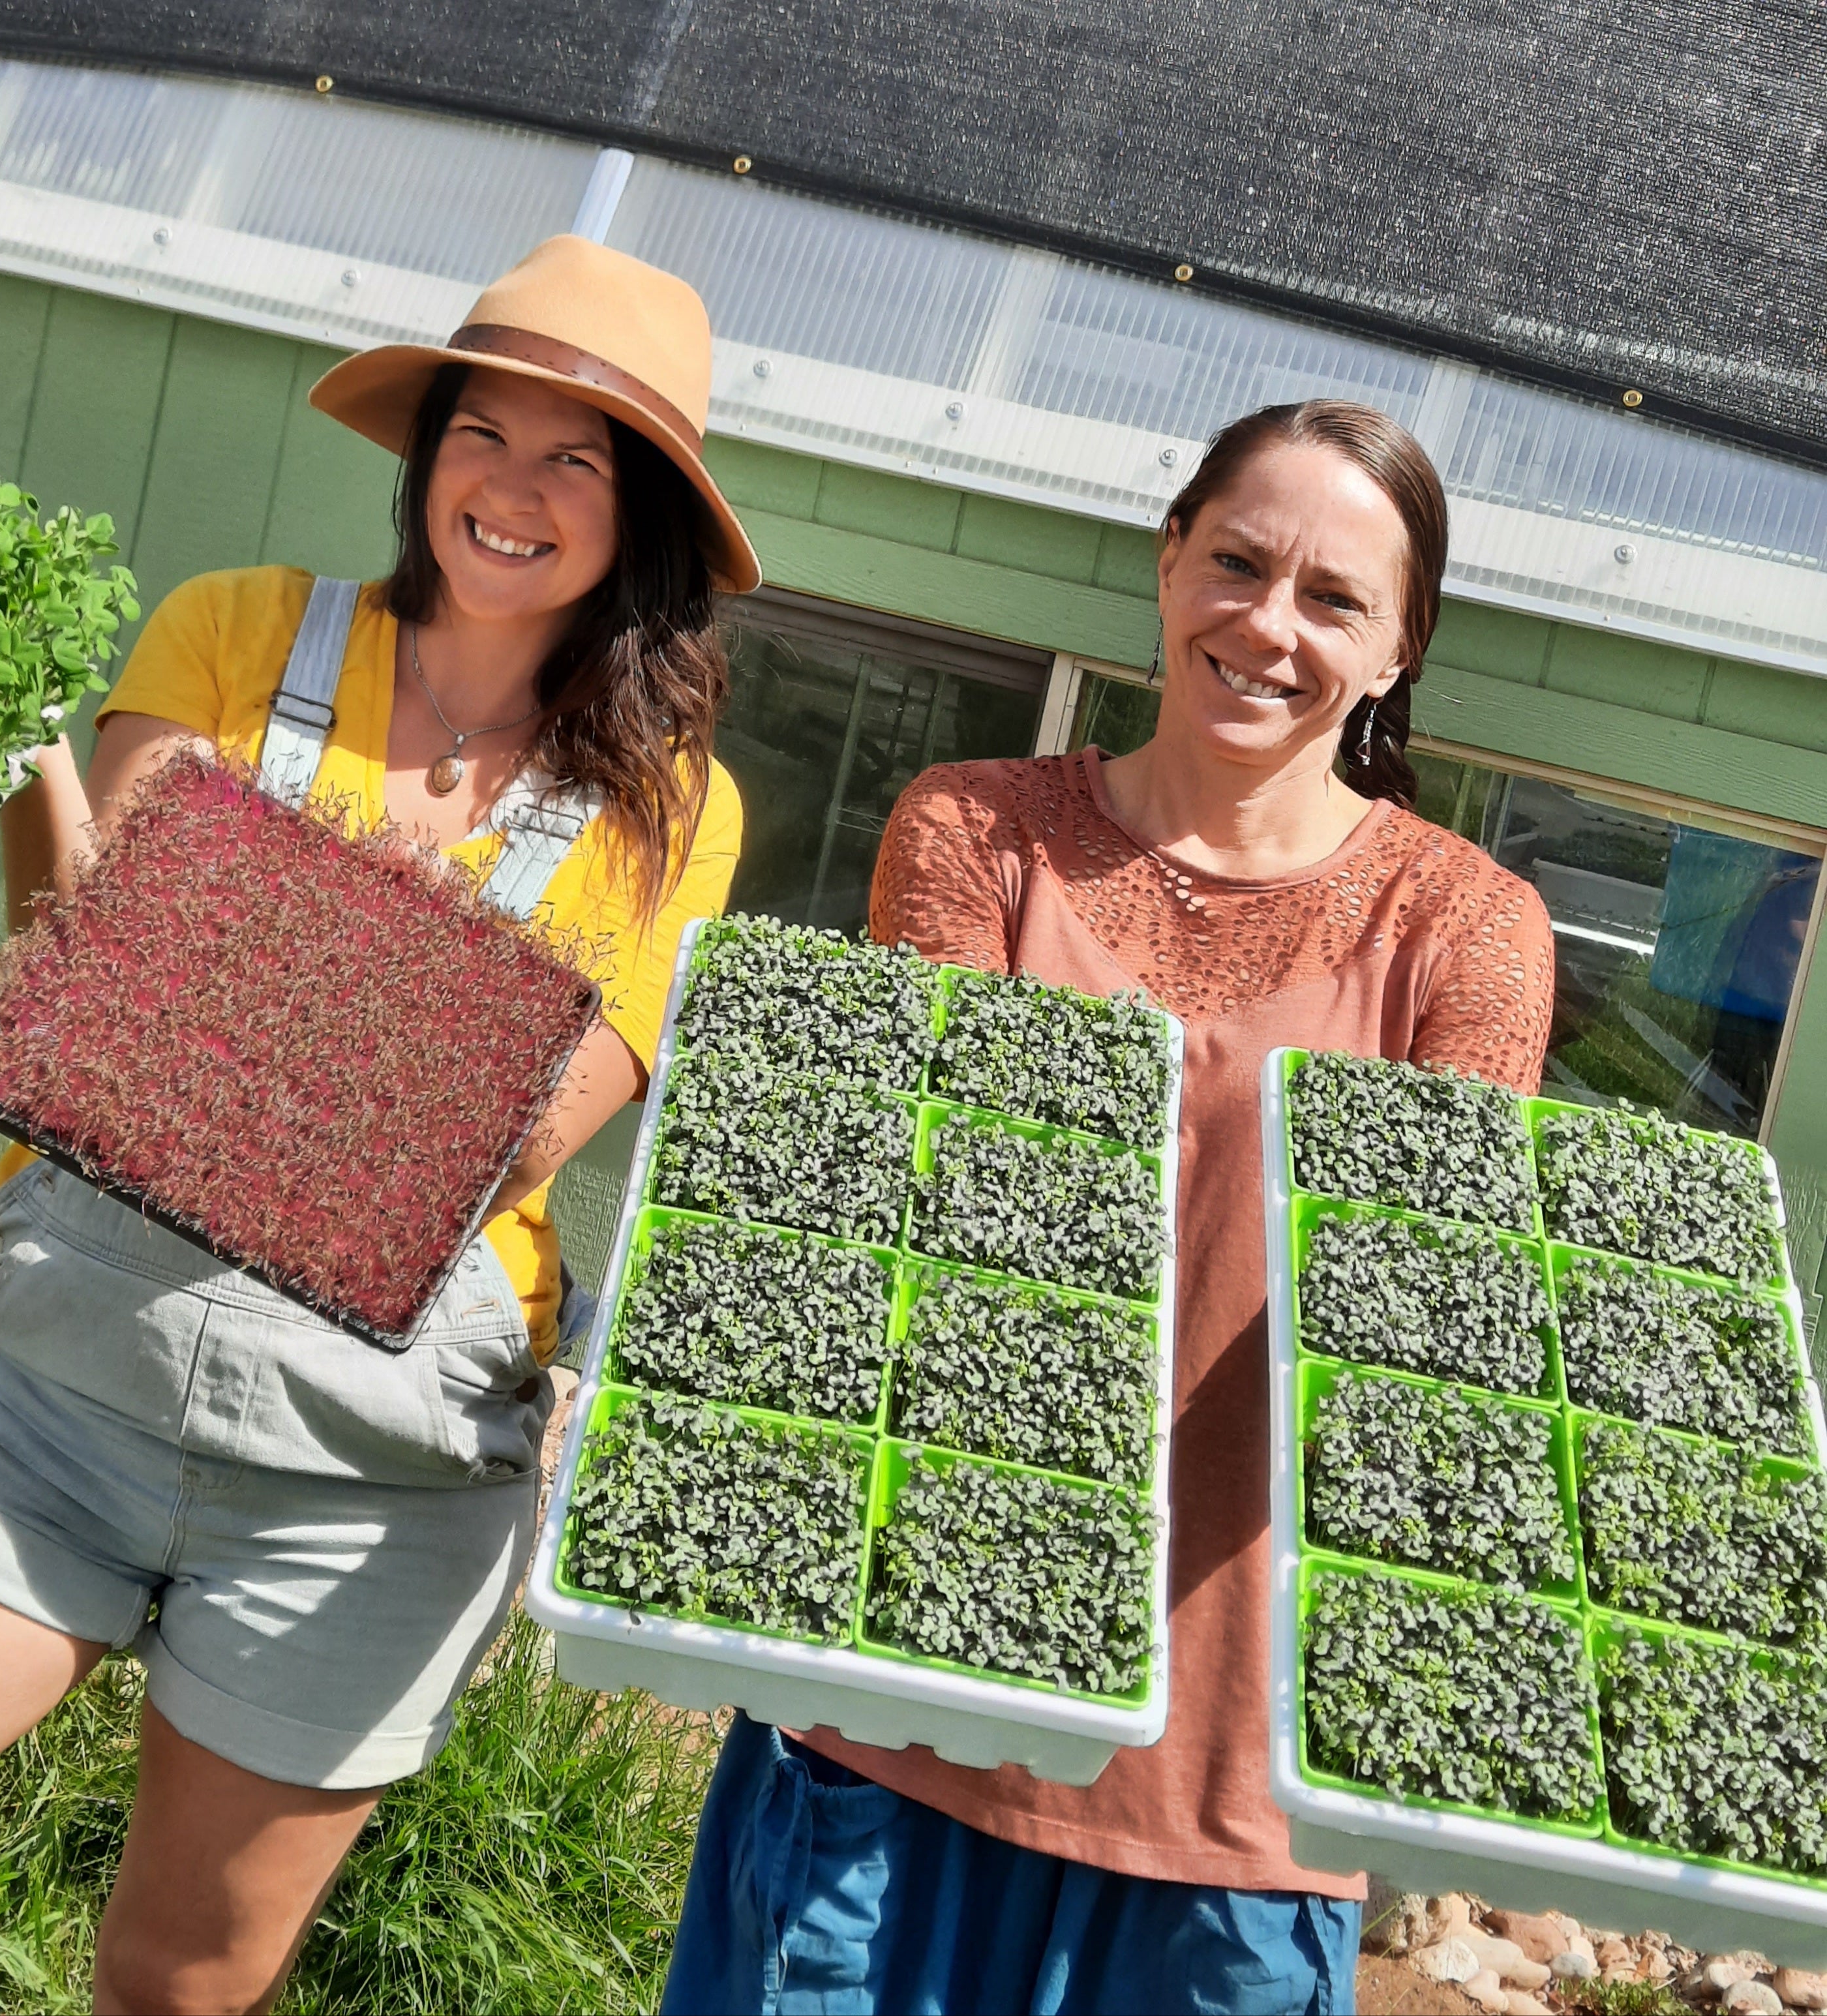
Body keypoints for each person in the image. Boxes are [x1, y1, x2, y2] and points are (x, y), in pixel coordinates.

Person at [0, 235, 757, 2016]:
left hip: (374, 1477)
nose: (510, 488)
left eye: (574, 457)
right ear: (424, 453)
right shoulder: (238, 623)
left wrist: (211, 945)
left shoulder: (677, 813)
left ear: (640, 512)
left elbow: (500, 1139)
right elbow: (83, 979)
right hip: (56, 1390)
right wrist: (35, 746)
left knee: (177, 1982)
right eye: (479, 433)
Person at [662, 399, 1556, 2016]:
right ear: (1167, 560)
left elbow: (1419, 1344)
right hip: (901, 1715)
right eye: (1237, 562)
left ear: (1399, 646)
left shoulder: (1466, 929)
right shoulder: (979, 830)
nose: (1268, 625)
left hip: (1228, 1810)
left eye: (1334, 599)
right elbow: (944, 1216)